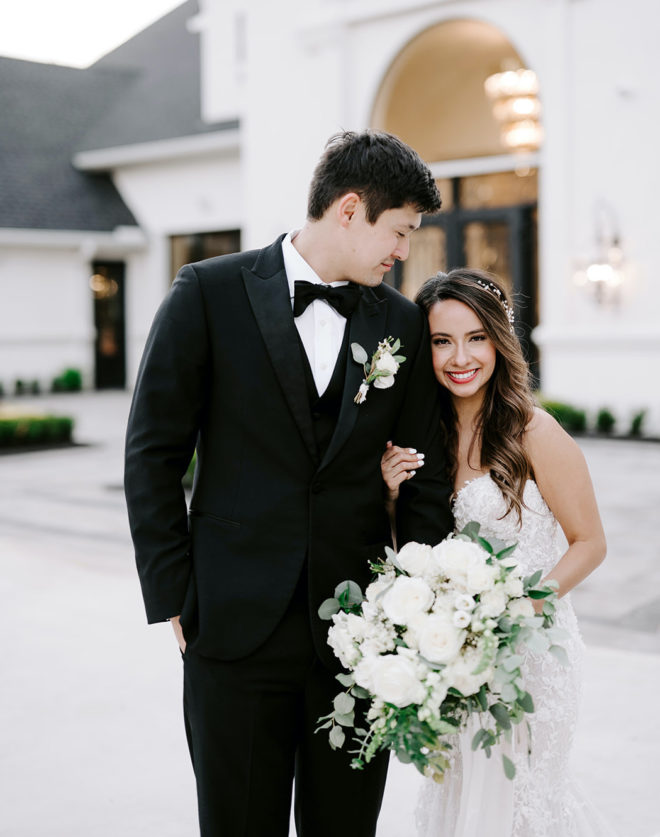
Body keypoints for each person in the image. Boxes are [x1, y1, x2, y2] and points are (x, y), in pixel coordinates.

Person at [124, 130, 454, 837]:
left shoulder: (400, 322)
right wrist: (175, 590)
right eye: (398, 231)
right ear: (348, 208)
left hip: (359, 640)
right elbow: (152, 453)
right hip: (231, 632)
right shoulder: (208, 293)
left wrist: (414, 610)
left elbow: (427, 477)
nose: (403, 251)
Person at [381, 268, 616, 836]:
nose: (460, 357)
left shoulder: (533, 431)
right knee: (460, 799)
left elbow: (591, 542)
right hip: (456, 655)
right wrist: (389, 496)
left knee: (521, 803)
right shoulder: (423, 435)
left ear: (498, 341)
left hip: (533, 653)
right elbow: (416, 554)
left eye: (475, 337)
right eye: (442, 341)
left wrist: (521, 609)